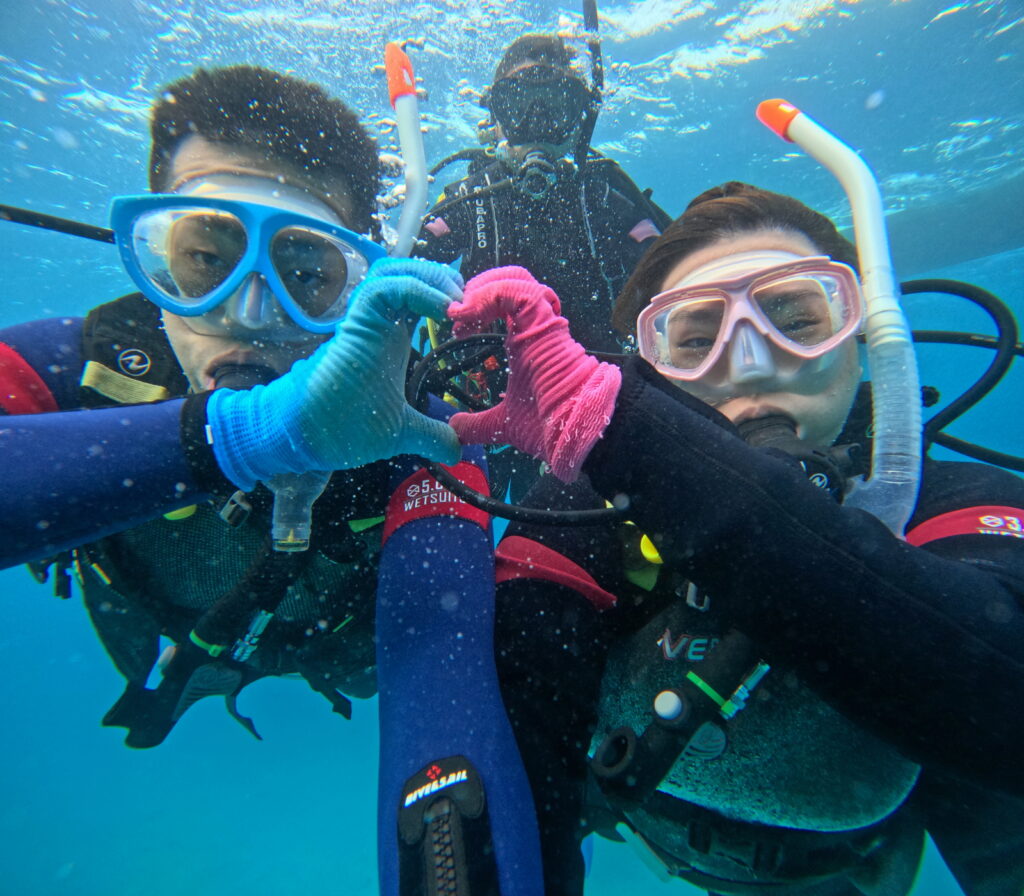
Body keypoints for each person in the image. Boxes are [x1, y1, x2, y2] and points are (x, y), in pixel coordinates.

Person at [445, 182, 1024, 896]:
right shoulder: (588, 509)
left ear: (864, 340)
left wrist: (629, 438)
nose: (751, 362)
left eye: (798, 320)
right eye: (695, 340)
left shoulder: (949, 503)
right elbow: (509, 745)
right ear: (651, 371)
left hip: (855, 866)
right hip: (653, 832)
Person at [0, 64, 470, 747]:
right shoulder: (86, 364)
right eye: (205, 258)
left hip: (330, 645)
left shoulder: (411, 425)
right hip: (153, 614)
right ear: (156, 257)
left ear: (353, 285)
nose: (248, 314)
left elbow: (446, 669)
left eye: (304, 273)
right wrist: (246, 434)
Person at [417, 33, 672, 355]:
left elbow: (678, 269)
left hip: (609, 379)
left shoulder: (605, 194)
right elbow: (406, 269)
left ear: (579, 119)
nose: (536, 122)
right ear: (494, 119)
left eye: (555, 107)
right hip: (486, 382)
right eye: (517, 106)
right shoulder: (470, 199)